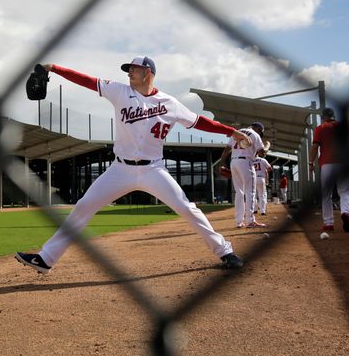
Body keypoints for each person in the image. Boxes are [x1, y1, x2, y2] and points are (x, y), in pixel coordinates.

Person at [15, 56, 249, 274]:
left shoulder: (170, 103)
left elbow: (200, 122)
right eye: (128, 71)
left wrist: (232, 132)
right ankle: (46, 259)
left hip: (154, 170)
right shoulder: (119, 91)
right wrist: (55, 69)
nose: (129, 74)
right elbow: (86, 80)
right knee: (84, 206)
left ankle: (225, 251)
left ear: (148, 72)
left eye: (133, 70)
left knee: (187, 208)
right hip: (120, 169)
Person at [309, 107, 349, 233]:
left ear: (323, 117)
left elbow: (315, 147)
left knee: (326, 195)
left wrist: (310, 163)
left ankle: (328, 223)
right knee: (344, 192)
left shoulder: (320, 128)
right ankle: (345, 212)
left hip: (327, 164)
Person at [218, 122, 266, 228]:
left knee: (239, 192)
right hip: (246, 162)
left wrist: (221, 164)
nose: (260, 133)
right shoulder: (255, 134)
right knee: (250, 191)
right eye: (260, 131)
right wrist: (264, 150)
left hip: (233, 162)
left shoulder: (237, 132)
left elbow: (227, 149)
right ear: (258, 128)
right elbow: (262, 153)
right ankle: (250, 221)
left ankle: (239, 221)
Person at [253, 149, 272, 216]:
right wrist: (264, 169)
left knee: (253, 195)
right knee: (262, 195)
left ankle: (254, 209)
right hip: (261, 178)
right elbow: (270, 168)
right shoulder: (263, 160)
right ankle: (262, 211)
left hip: (253, 179)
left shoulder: (250, 160)